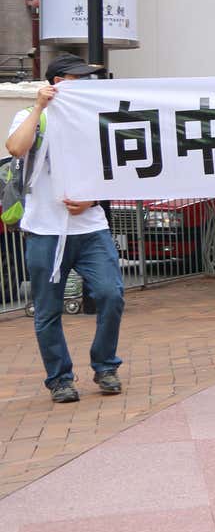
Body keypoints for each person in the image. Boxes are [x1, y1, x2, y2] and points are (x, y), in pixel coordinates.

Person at [6, 55, 125, 404]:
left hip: (90, 229)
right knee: (47, 310)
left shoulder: (92, 120)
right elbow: (15, 148)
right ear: (57, 82)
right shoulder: (31, 117)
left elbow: (111, 167)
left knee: (111, 295)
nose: (86, 84)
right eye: (79, 78)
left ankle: (105, 365)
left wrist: (92, 199)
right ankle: (60, 378)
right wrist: (39, 107)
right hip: (44, 229)